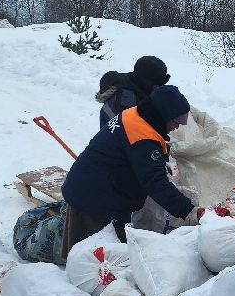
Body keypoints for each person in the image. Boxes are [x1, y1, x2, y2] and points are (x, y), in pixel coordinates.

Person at [62, 83, 196, 253]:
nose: (177, 127)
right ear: (163, 115)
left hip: (92, 187)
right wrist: (189, 211)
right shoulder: (142, 138)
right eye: (176, 121)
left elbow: (135, 154)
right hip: (95, 201)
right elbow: (156, 184)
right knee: (95, 261)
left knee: (109, 259)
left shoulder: (136, 114)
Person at [96, 56, 171, 129]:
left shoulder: (132, 85)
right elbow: (133, 135)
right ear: (145, 82)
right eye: (156, 84)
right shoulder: (126, 102)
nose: (158, 88)